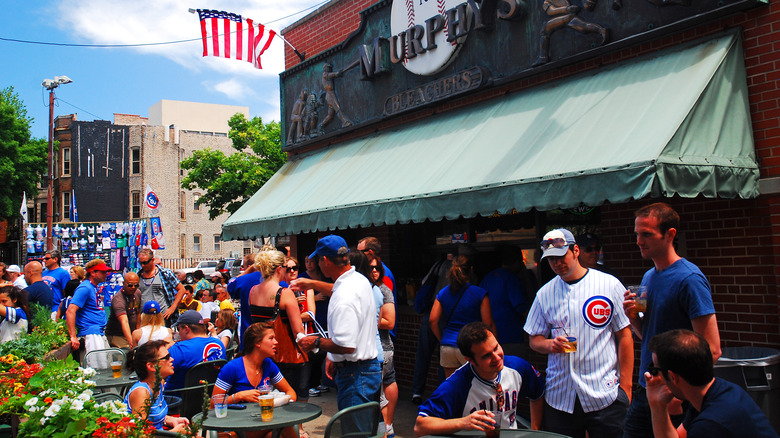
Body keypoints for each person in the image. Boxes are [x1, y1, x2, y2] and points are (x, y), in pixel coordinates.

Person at [623, 203, 722, 438]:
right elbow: (648, 337)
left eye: (647, 234)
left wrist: (678, 393)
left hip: (675, 396)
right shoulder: (649, 276)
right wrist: (634, 318)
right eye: (637, 234)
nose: (639, 241)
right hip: (647, 388)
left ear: (670, 235)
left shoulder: (689, 279)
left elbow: (712, 349)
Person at [524, 228, 633, 438]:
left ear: (575, 251)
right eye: (551, 259)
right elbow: (534, 339)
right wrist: (550, 344)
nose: (556, 263)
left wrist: (626, 388)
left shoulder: (608, 284)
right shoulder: (545, 293)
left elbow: (624, 335)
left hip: (604, 392)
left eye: (560, 256)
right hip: (560, 394)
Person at [297, 235, 380, 434]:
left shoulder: (345, 295)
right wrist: (333, 357)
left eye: (318, 260)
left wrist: (315, 341)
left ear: (325, 261)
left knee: (355, 434)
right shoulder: (358, 280)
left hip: (355, 374)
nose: (317, 264)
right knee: (365, 431)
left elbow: (346, 345)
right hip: (364, 370)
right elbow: (337, 289)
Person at [415, 322, 545, 436]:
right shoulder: (457, 385)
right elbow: (420, 426)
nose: (496, 357)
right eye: (486, 355)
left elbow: (537, 392)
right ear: (470, 360)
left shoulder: (517, 367)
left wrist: (535, 430)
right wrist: (462, 423)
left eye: (496, 348)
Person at [645, 330, 777, 438]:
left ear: (673, 377)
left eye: (656, 370)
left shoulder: (710, 425)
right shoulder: (722, 390)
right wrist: (658, 406)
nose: (657, 376)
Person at [212, 322, 298, 438]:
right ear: (258, 343)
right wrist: (238, 396)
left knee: (279, 430)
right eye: (271, 338)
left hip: (261, 421)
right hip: (236, 423)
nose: (276, 342)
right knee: (282, 427)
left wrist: (274, 402)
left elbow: (291, 393)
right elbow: (213, 403)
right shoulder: (233, 368)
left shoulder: (269, 365)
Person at [249, 250, 310, 408]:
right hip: (284, 354)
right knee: (292, 397)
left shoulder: (253, 291)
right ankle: (299, 430)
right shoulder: (285, 293)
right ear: (278, 269)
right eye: (285, 267)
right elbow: (298, 331)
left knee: (267, 397)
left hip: (261, 352)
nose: (287, 271)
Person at [430, 260, 495, 378]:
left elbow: (433, 320)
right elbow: (488, 323)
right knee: (475, 386)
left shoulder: (443, 293)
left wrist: (442, 339)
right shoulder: (479, 293)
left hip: (447, 346)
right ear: (471, 270)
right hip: (470, 345)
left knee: (452, 388)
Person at [412, 253, 453, 404]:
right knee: (445, 355)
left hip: (431, 312)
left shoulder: (438, 264)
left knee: (424, 354)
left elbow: (425, 282)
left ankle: (417, 391)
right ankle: (442, 392)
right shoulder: (461, 270)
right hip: (446, 315)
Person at [125, 340, 190, 433]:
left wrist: (169, 420)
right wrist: (173, 433)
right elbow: (139, 432)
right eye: (166, 357)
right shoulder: (141, 392)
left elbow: (153, 418)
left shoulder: (159, 383)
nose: (172, 359)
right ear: (151, 366)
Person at [479, 246, 530, 357]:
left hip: (489, 336)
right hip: (511, 336)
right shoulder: (512, 279)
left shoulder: (486, 279)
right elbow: (521, 307)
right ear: (516, 262)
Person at [368, 255, 398, 438]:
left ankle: (385, 428)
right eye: (370, 267)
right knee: (385, 386)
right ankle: (386, 429)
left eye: (377, 267)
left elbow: (390, 321)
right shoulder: (367, 288)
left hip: (382, 348)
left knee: (379, 393)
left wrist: (367, 320)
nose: (373, 271)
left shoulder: (383, 290)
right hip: (377, 349)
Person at [166, 310, 226, 392]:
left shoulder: (179, 349)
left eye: (178, 329)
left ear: (186, 329)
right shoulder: (219, 344)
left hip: (178, 399)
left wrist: (164, 346)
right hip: (210, 395)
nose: (179, 333)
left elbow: (158, 372)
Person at [66, 259, 111, 360]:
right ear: (93, 273)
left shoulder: (94, 287)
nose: (106, 274)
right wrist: (73, 336)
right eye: (102, 272)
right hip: (91, 334)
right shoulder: (85, 288)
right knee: (96, 368)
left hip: (98, 332)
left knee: (104, 367)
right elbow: (70, 311)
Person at [136, 248, 186, 323]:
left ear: (152, 260)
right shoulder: (138, 276)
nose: (143, 265)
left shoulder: (165, 273)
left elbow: (182, 289)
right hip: (145, 318)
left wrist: (173, 308)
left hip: (162, 317)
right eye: (140, 263)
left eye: (145, 262)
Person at [227, 252, 263, 350]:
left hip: (248, 330)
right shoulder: (273, 279)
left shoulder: (243, 280)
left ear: (248, 266)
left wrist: (246, 272)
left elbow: (231, 287)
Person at [105, 272, 142, 348]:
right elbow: (124, 321)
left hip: (131, 332)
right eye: (130, 285)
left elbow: (138, 312)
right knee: (124, 356)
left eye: (136, 285)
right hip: (117, 335)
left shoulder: (137, 293)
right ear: (123, 283)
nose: (133, 287)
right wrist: (130, 341)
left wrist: (137, 332)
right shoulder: (118, 299)